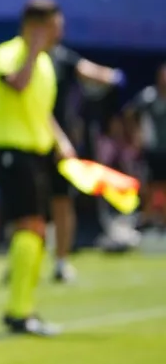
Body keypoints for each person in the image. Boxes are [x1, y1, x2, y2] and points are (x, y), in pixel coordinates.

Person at [0, 0, 74, 336]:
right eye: (53, 26)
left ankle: (23, 308)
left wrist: (60, 141)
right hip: (12, 153)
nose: (58, 32)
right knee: (31, 226)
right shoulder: (7, 54)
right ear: (35, 27)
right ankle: (19, 313)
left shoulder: (47, 64)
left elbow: (41, 111)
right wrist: (34, 51)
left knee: (36, 230)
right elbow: (18, 86)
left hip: (36, 155)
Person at [47, 36, 124, 282]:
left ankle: (61, 261)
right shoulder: (19, 56)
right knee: (30, 210)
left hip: (63, 145)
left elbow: (91, 71)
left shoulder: (62, 57)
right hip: (31, 140)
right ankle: (21, 261)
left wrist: (113, 76)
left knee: (63, 201)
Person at [126, 63, 166, 230]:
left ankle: (163, 217)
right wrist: (135, 133)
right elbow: (129, 113)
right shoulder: (149, 96)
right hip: (152, 148)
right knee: (148, 183)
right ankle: (147, 215)